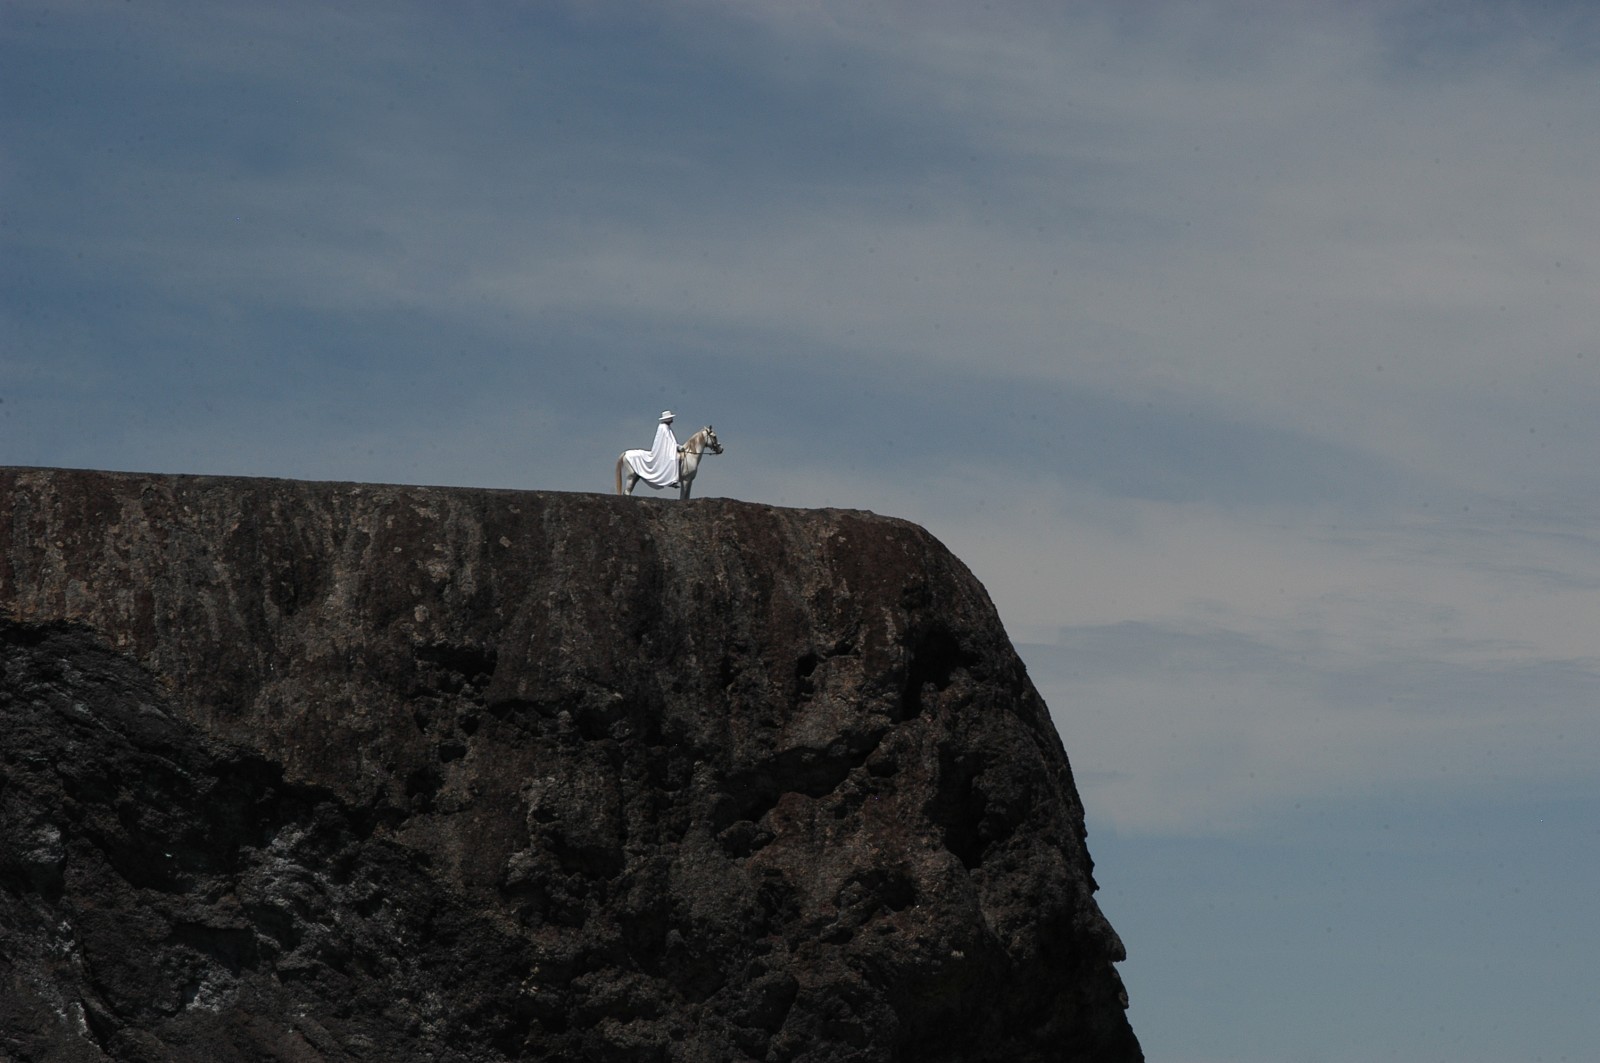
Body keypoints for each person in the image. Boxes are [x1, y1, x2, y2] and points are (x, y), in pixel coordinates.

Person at [626, 410, 680, 488]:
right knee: (674, 458)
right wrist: (676, 447)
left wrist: (675, 446)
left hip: (667, 449)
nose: (672, 420)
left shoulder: (667, 427)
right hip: (664, 450)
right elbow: (668, 440)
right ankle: (672, 479)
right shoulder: (663, 427)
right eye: (670, 418)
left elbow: (670, 441)